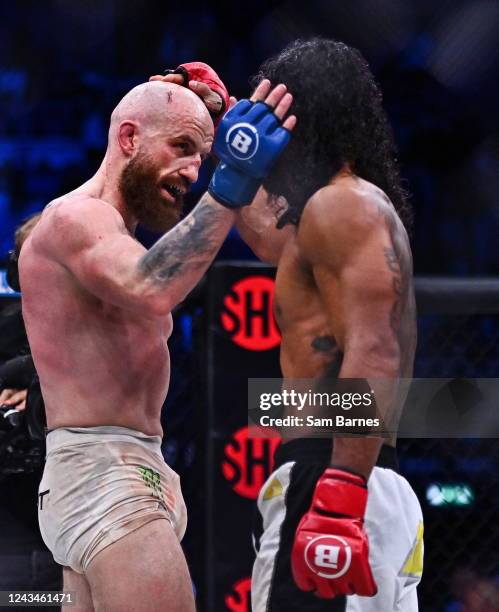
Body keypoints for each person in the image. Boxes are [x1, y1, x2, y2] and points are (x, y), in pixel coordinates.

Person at [19, 71, 295, 611]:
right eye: (182, 148)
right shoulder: (76, 219)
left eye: (203, 156)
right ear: (128, 138)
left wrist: (238, 160)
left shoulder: (117, 236)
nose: (193, 171)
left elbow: (274, 244)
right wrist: (230, 177)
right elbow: (153, 287)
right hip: (106, 475)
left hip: (125, 466)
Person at [236, 38, 424, 611]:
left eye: (274, 123)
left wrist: (337, 497)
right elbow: (267, 239)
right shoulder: (341, 211)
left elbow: (374, 350)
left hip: (333, 472)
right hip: (364, 479)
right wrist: (230, 156)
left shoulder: (341, 207)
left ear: (301, 121)